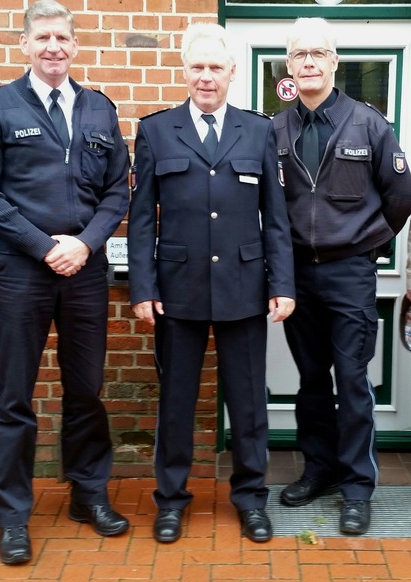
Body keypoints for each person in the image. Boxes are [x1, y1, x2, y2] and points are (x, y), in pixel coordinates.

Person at [0, 0, 130, 565]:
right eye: (43, 38)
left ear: (75, 45)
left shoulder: (99, 110)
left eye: (63, 37)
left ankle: (87, 494)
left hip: (84, 271)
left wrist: (83, 244)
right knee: (15, 399)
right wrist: (44, 245)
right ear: (25, 45)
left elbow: (116, 193)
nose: (53, 47)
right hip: (23, 272)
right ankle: (13, 516)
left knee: (85, 389)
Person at [127, 22, 295, 544]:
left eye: (215, 68)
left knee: (248, 405)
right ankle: (171, 501)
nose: (206, 77)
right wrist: (142, 287)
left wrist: (282, 282)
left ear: (231, 73)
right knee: (176, 403)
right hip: (177, 290)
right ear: (185, 71)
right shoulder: (156, 131)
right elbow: (140, 219)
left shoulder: (259, 130)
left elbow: (277, 215)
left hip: (244, 286)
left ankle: (250, 500)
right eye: (196, 67)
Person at [272, 17, 411, 535]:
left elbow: (400, 197)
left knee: (351, 381)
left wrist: (367, 243)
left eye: (318, 53)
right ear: (289, 66)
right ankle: (319, 470)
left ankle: (356, 487)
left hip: (350, 273)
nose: (308, 61)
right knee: (311, 380)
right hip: (296, 275)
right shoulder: (276, 130)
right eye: (299, 54)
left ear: (334, 62)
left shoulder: (368, 123)